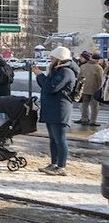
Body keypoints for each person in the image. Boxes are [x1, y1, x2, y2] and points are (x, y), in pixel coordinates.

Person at [32, 45, 79, 176]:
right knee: (53, 139)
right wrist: (41, 76)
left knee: (60, 139)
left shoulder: (66, 72)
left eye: (52, 57)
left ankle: (61, 166)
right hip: (52, 109)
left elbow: (52, 87)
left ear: (59, 59)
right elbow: (47, 86)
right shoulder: (58, 71)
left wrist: (40, 75)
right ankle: (54, 163)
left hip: (60, 109)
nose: (50, 60)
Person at [76, 52, 104, 127]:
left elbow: (79, 78)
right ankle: (92, 121)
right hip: (94, 90)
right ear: (98, 60)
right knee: (94, 107)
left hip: (84, 89)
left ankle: (84, 119)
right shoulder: (98, 68)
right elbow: (100, 80)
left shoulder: (83, 66)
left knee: (85, 105)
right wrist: (100, 89)